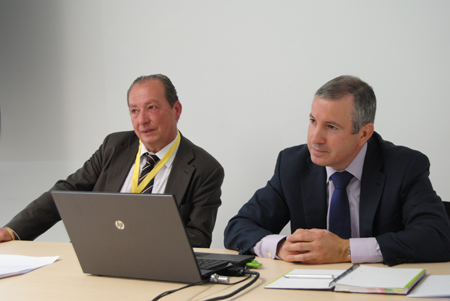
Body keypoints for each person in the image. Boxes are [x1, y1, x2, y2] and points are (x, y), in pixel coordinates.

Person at [224, 75, 450, 266]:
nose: (315, 138)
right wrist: (281, 246)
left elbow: (437, 237)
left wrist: (346, 250)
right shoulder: (292, 164)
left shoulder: (404, 166)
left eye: (331, 127)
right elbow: (238, 227)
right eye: (313, 121)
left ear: (364, 134)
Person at [1, 74, 224, 248]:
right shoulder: (113, 146)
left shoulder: (205, 169)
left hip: (156, 267)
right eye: (134, 110)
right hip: (96, 259)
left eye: (151, 108)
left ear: (176, 110)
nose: (142, 120)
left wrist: (137, 245)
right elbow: (66, 191)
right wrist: (13, 230)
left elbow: (199, 238)